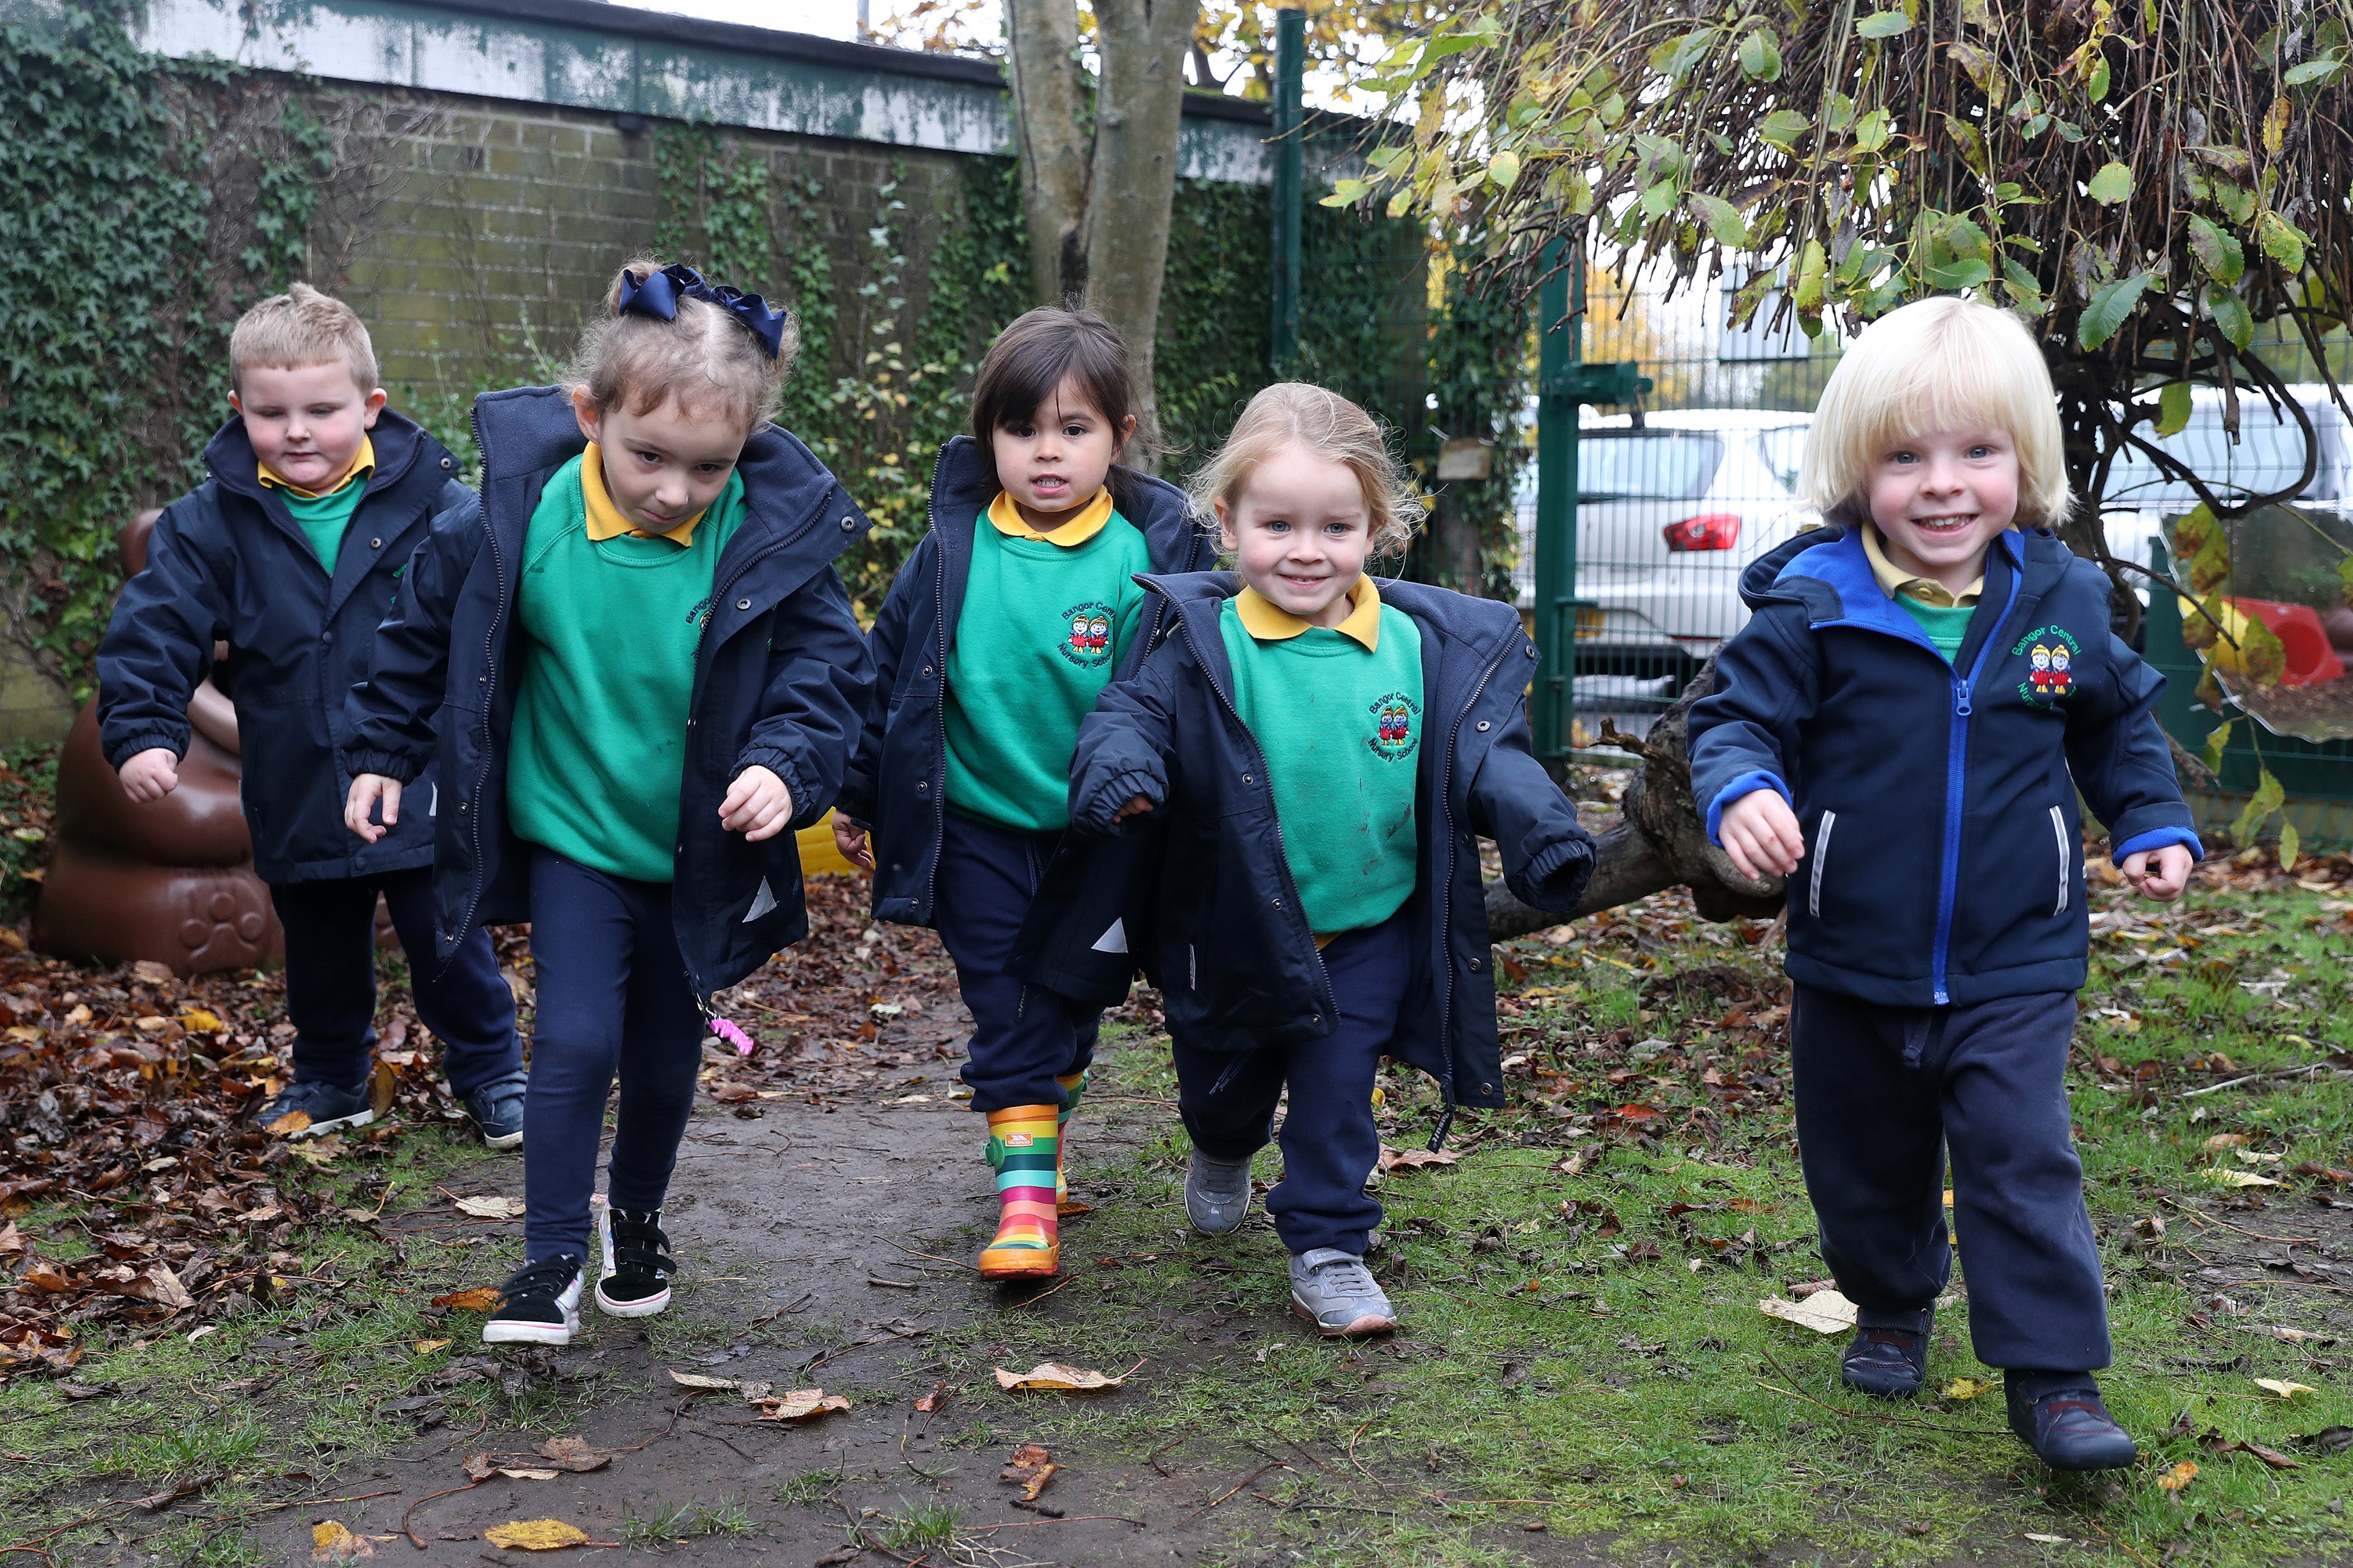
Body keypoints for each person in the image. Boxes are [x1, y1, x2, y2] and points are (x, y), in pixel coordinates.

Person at [1688, 295, 2201, 1471]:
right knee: (1860, 1159)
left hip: (2013, 951)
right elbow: (1729, 720)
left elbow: (2117, 722)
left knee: (2019, 1152)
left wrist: (2150, 815)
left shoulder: (2057, 601)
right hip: (1850, 947)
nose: (1941, 485)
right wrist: (1738, 790)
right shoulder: (1811, 604)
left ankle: (2053, 1378)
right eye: (1904, 455)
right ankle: (1889, 1301)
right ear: (1856, 469)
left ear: (2023, 462)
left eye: (1976, 452)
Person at [342, 259, 874, 1346]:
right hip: (576, 840)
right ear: (591, 413)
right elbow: (415, 635)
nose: (675, 488)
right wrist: (383, 753)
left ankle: (637, 1220)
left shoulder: (769, 540)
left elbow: (826, 675)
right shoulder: (509, 520)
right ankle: (546, 1262)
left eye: (709, 467)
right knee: (577, 1040)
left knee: (667, 1058)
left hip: (695, 852)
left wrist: (784, 762)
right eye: (648, 456)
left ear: (748, 451)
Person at [1036, 382, 1595, 1335]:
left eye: (1335, 526)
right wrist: (1121, 777)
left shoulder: (1415, 649)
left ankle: (1329, 1245)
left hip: (1366, 928)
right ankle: (1220, 1148)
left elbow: (1483, 752)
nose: (1306, 550)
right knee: (1224, 1093)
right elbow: (1130, 716)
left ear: (1375, 528)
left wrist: (1542, 830)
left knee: (1338, 1097)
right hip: (1229, 928)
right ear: (1227, 521)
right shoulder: (1204, 642)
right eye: (1278, 524)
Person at [834, 306, 1212, 1280]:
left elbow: (1186, 697)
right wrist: (862, 793)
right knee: (1009, 1007)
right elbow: (889, 676)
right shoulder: (951, 551)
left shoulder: (1152, 560)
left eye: (1074, 430)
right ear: (986, 438)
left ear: (1119, 439)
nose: (1048, 453)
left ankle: (1037, 1117)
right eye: (1022, 430)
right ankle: (1025, 1204)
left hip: (1103, 839)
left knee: (1073, 1006)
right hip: (979, 828)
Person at [97, 285, 525, 1146]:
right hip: (295, 773)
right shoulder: (212, 523)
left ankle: (493, 1069)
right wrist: (144, 729)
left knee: (445, 934)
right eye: (271, 411)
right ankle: (333, 1075)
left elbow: (498, 617)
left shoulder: (438, 507)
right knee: (320, 948)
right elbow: (156, 625)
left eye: (322, 410)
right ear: (238, 409)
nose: (297, 430)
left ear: (371, 406)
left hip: (414, 770)